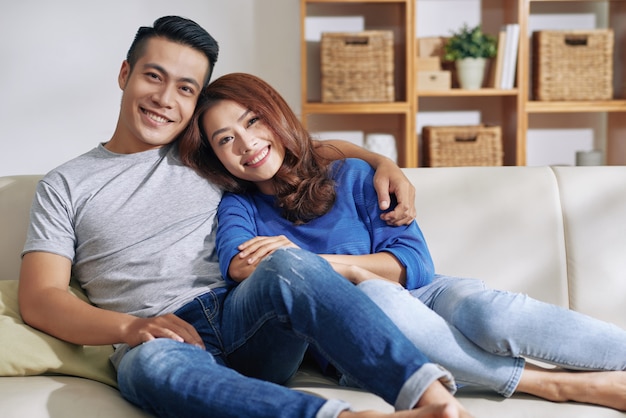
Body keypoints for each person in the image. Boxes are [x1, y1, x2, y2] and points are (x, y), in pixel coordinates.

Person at [16, 16, 474, 418]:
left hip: (246, 315)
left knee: (288, 263)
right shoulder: (66, 184)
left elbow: (299, 149)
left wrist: (382, 163)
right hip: (160, 335)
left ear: (196, 101)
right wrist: (131, 328)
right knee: (147, 368)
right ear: (125, 74)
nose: (164, 98)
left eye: (186, 88)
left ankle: (433, 400)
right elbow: (40, 297)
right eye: (153, 76)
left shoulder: (207, 151)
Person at [179, 71, 626, 412]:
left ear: (275, 114)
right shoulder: (240, 208)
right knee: (378, 295)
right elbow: (239, 266)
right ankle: (554, 383)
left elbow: (414, 265)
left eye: (253, 121)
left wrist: (330, 265)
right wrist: (357, 273)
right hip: (359, 333)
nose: (248, 143)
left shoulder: (354, 175)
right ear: (217, 157)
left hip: (428, 293)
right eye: (225, 140)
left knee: (484, 309)